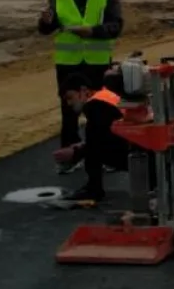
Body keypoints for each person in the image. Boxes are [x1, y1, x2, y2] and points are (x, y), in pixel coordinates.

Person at [37, 0, 124, 173]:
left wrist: (92, 31)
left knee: (103, 111)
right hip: (68, 64)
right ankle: (70, 156)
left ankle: (108, 154)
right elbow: (47, 29)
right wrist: (45, 23)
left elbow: (116, 26)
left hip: (97, 63)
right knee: (69, 113)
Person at [52, 72, 130, 202]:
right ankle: (93, 188)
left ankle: (93, 189)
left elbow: (98, 144)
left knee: (92, 147)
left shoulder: (95, 106)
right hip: (143, 146)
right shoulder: (104, 96)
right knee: (91, 141)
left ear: (83, 91)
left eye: (70, 97)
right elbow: (104, 134)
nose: (69, 103)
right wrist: (82, 147)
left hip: (138, 153)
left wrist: (75, 153)